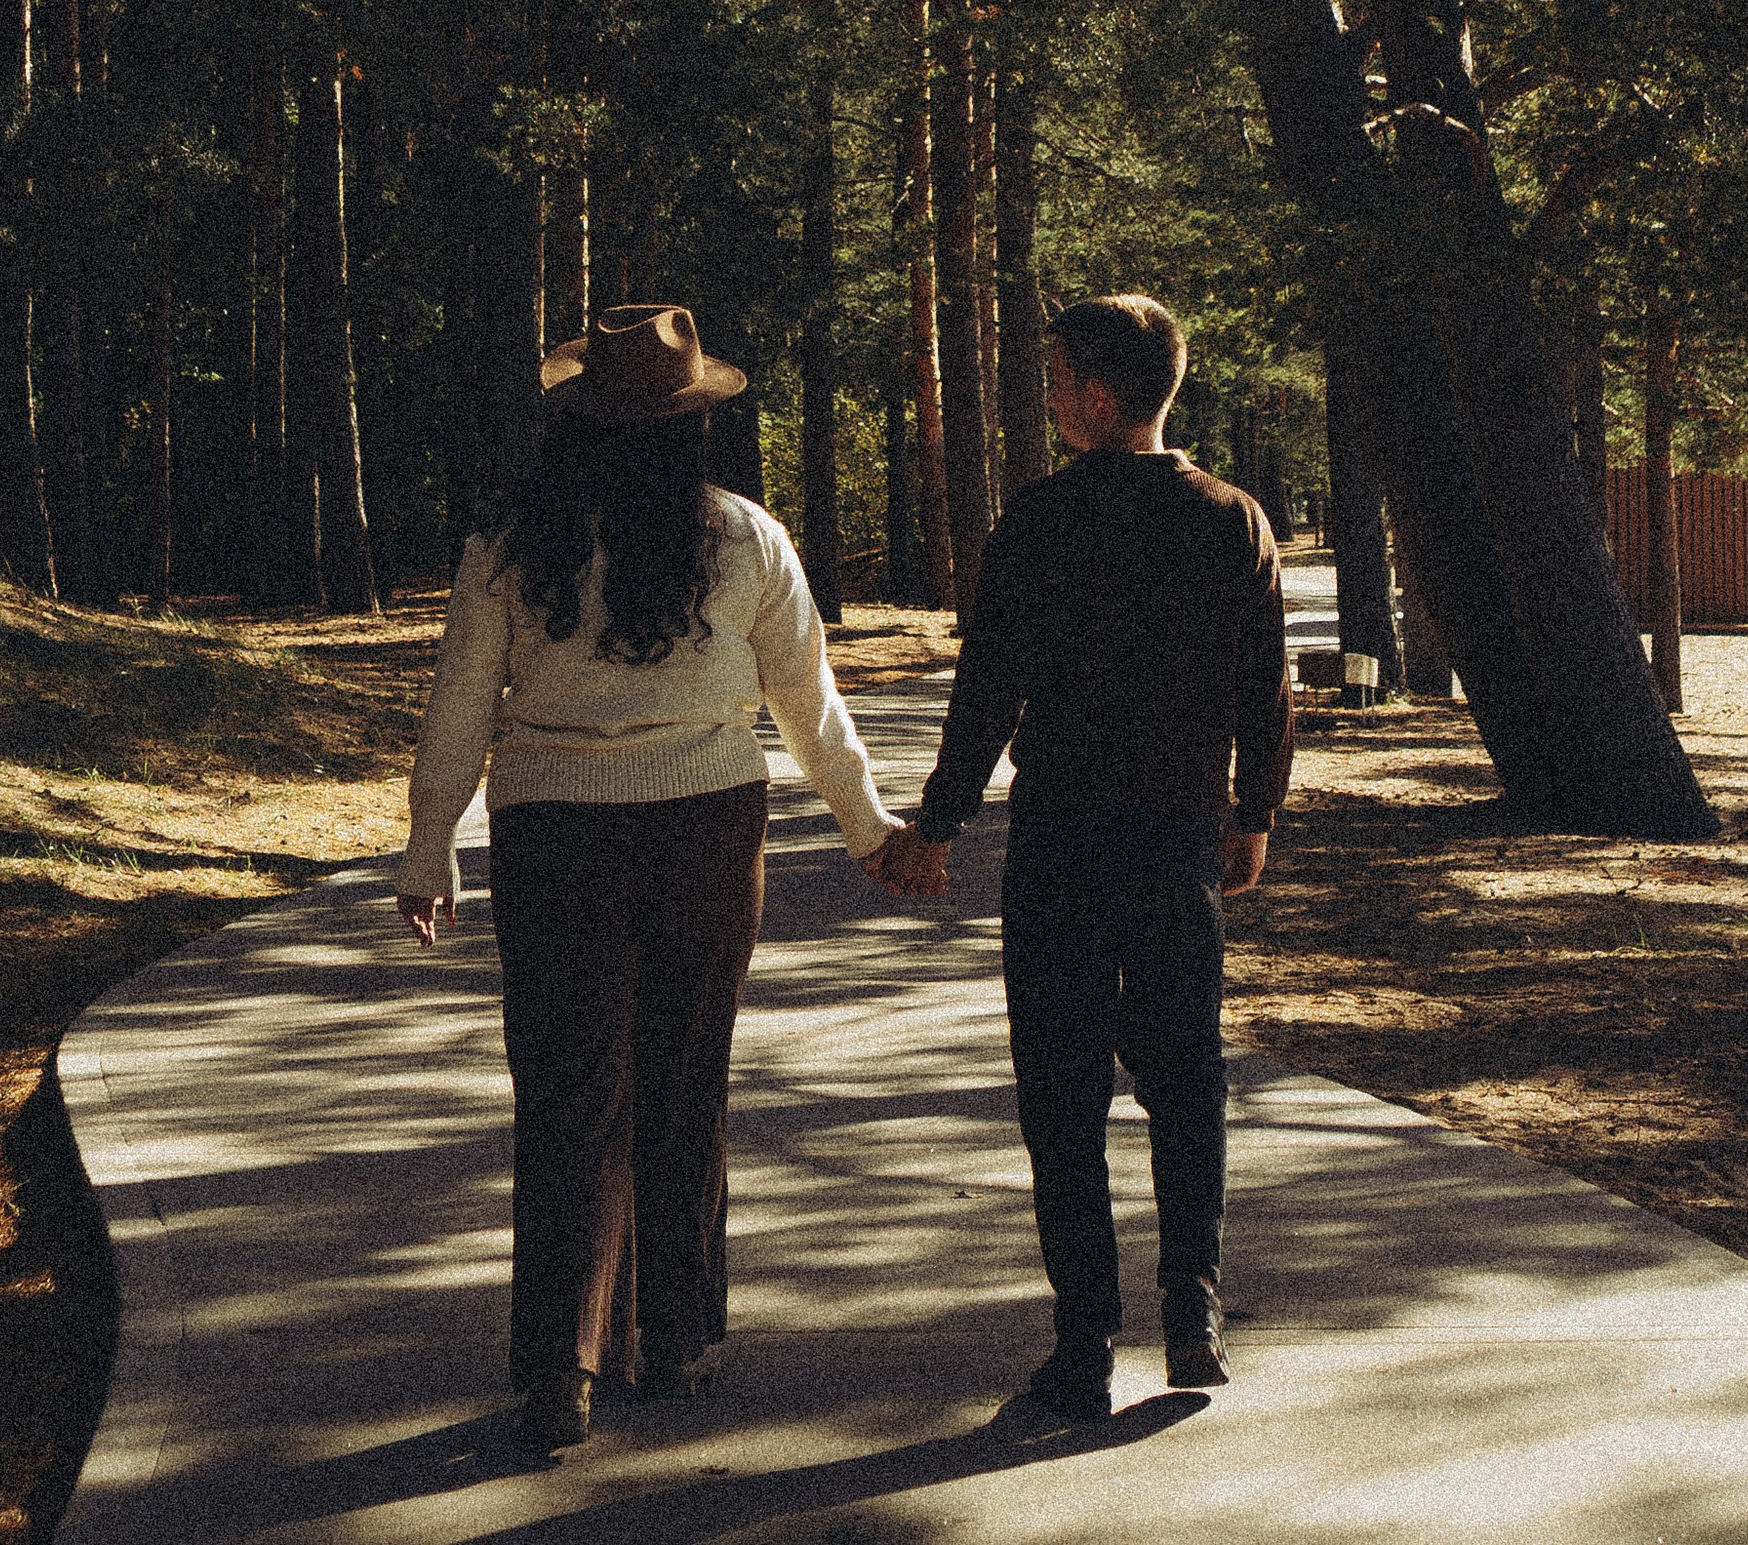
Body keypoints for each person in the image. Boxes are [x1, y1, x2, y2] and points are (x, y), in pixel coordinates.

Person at [395, 301, 906, 1453]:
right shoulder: (744, 539)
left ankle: (560, 1369)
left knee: (570, 1094)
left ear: (575, 423)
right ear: (691, 426)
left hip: (554, 840)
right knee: (684, 1082)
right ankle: (671, 1339)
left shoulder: (509, 546)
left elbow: (460, 710)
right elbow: (808, 706)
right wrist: (867, 827)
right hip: (706, 837)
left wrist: (430, 851)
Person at [875, 292, 1294, 1423]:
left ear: (1101, 395)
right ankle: (1192, 1306)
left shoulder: (1040, 523)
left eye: (1058, 378)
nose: (1049, 396)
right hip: (1175, 841)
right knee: (1183, 1077)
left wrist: (941, 821)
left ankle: (1082, 1340)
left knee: (1060, 1092)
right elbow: (1268, 684)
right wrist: (1252, 811)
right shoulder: (1231, 518)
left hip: (1061, 841)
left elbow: (988, 690)